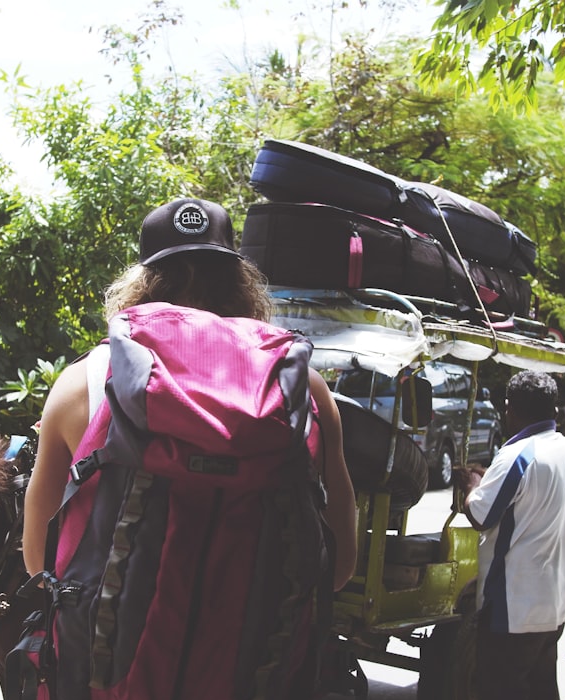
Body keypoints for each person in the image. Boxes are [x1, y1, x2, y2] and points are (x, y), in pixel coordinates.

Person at [23, 197, 358, 591]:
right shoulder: (304, 387)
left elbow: (37, 562)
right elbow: (339, 568)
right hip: (264, 650)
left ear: (140, 284)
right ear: (241, 283)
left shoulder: (83, 384)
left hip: (108, 648)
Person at [453, 370, 565, 700]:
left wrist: (472, 486)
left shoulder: (517, 455)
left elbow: (480, 515)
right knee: (542, 698)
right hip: (553, 605)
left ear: (511, 410)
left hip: (515, 608)